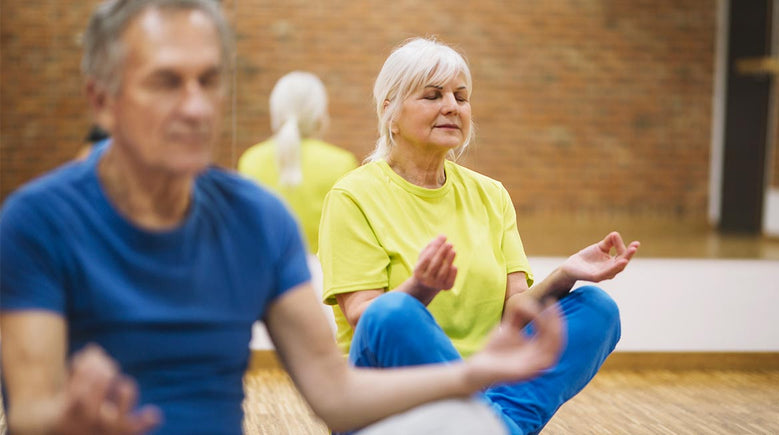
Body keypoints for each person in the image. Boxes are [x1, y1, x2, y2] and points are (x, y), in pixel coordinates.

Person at [0, 3, 566, 434]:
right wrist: (66, 421)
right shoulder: (36, 222)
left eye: (209, 81)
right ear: (102, 101)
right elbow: (27, 412)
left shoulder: (257, 219)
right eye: (166, 82)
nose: (196, 107)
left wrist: (475, 375)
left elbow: (334, 393)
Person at [318, 37, 640, 434]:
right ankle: (489, 424)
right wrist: (420, 287)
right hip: (387, 399)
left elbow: (514, 311)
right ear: (390, 111)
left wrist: (566, 274)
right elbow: (368, 320)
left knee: (596, 308)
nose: (452, 106)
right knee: (393, 312)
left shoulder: (491, 195)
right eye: (433, 95)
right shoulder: (353, 196)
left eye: (461, 96)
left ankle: (482, 422)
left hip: (484, 383)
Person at [238, 71, 358, 254]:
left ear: (275, 112)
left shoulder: (250, 161)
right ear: (320, 116)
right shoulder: (342, 163)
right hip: (322, 277)